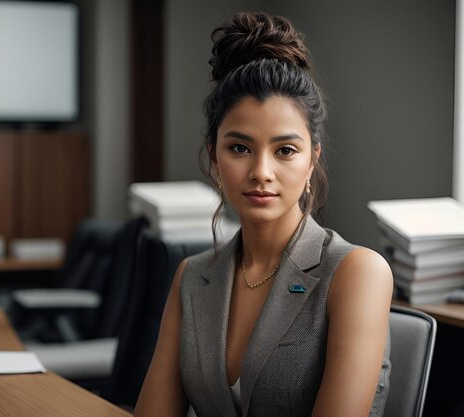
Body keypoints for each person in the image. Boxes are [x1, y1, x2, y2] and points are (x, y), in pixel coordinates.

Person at [134, 11, 393, 417]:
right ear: (214, 159)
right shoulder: (192, 276)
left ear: (312, 161)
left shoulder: (357, 273)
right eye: (239, 148)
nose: (261, 172)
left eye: (285, 150)